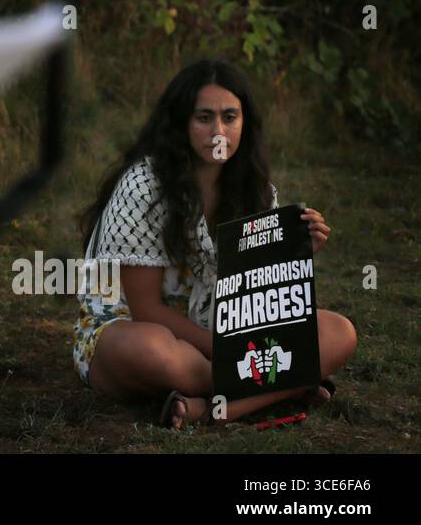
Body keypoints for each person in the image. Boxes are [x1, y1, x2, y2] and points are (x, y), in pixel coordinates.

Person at [73, 58, 357, 427]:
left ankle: (212, 409)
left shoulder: (255, 192)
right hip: (136, 330)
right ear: (182, 122)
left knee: (339, 333)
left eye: (230, 117)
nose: (218, 131)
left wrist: (295, 254)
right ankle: (286, 384)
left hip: (222, 333)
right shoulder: (144, 186)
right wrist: (240, 354)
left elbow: (257, 299)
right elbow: (146, 309)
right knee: (155, 352)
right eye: (204, 117)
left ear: (245, 123)